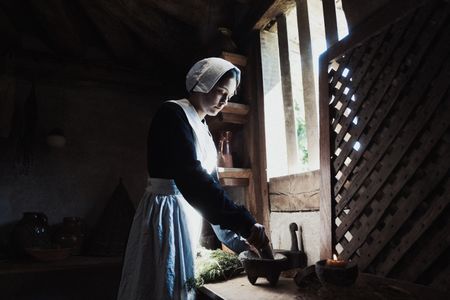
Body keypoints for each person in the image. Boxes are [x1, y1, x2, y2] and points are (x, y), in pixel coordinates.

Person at [117, 57, 269, 300]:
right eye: (221, 92)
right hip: (167, 214)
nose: (225, 101)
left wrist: (240, 241)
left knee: (178, 286)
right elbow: (193, 180)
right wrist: (245, 223)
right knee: (163, 286)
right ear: (202, 83)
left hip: (186, 212)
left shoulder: (203, 127)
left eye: (229, 95)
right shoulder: (173, 114)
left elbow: (210, 188)